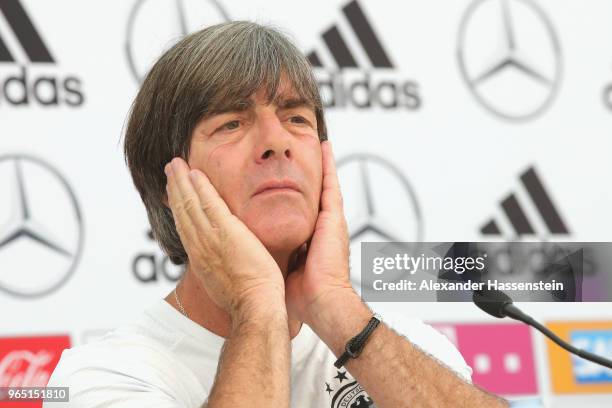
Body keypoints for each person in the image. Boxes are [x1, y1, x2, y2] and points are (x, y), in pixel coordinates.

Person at [46, 21, 508, 407]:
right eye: (231, 122)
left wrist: (337, 307)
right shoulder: (105, 375)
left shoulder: (409, 347)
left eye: (297, 119)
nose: (276, 141)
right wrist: (256, 304)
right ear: (168, 185)